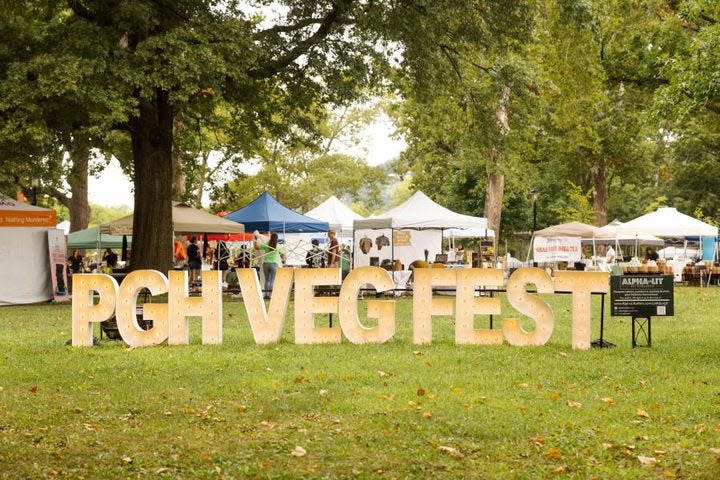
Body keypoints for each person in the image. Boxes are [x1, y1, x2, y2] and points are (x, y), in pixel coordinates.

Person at [256, 232, 283, 298]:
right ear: (277, 238)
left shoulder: (266, 245)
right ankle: (271, 295)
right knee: (272, 280)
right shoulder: (278, 245)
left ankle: (265, 294)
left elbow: (257, 247)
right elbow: (282, 255)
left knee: (267, 280)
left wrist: (256, 239)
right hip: (274, 264)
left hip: (266, 264)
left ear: (270, 238)